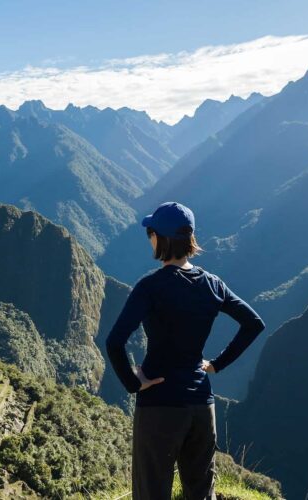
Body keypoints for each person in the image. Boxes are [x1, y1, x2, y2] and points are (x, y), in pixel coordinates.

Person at [105, 201, 265, 500]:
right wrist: (217, 365)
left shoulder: (150, 287)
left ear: (160, 238)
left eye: (150, 232)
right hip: (202, 405)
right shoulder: (213, 285)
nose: (149, 238)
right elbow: (253, 323)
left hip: (159, 404)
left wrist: (133, 382)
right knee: (201, 492)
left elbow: (115, 342)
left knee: (152, 491)